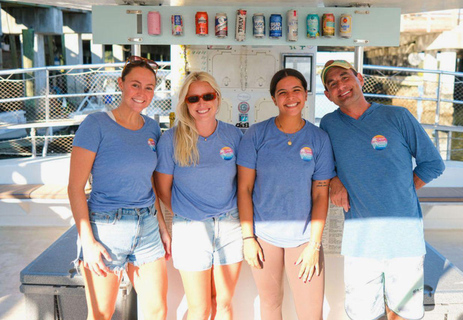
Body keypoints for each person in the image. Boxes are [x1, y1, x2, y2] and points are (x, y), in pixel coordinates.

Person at [319, 60, 445, 320]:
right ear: (328, 96)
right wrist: (333, 180)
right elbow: (324, 167)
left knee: (404, 312)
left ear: (360, 79)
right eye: (333, 84)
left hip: (404, 235)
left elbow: (433, 164)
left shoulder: (397, 116)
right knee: (363, 313)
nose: (341, 86)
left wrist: (401, 190)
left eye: (345, 77)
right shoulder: (329, 125)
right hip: (360, 239)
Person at [68, 56, 170, 320]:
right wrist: (87, 242)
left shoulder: (152, 128)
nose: (142, 93)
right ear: (121, 84)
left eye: (149, 87)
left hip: (146, 226)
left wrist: (161, 226)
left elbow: (148, 180)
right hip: (106, 229)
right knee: (101, 314)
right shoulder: (96, 125)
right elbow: (75, 188)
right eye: (135, 85)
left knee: (157, 311)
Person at [237, 68, 335, 320]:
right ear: (274, 99)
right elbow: (244, 189)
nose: (290, 97)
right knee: (270, 307)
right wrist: (248, 238)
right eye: (282, 92)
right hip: (264, 237)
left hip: (304, 239)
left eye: (296, 90)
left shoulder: (319, 139)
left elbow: (320, 195)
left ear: (305, 95)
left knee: (311, 314)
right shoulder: (256, 135)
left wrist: (314, 244)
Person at [154, 71, 243, 320]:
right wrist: (189, 211)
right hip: (190, 228)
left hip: (230, 227)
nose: (201, 103)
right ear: (185, 104)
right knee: (199, 309)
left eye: (207, 96)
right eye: (193, 99)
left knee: (223, 304)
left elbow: (244, 183)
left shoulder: (234, 136)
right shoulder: (171, 139)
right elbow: (162, 188)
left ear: (217, 98)